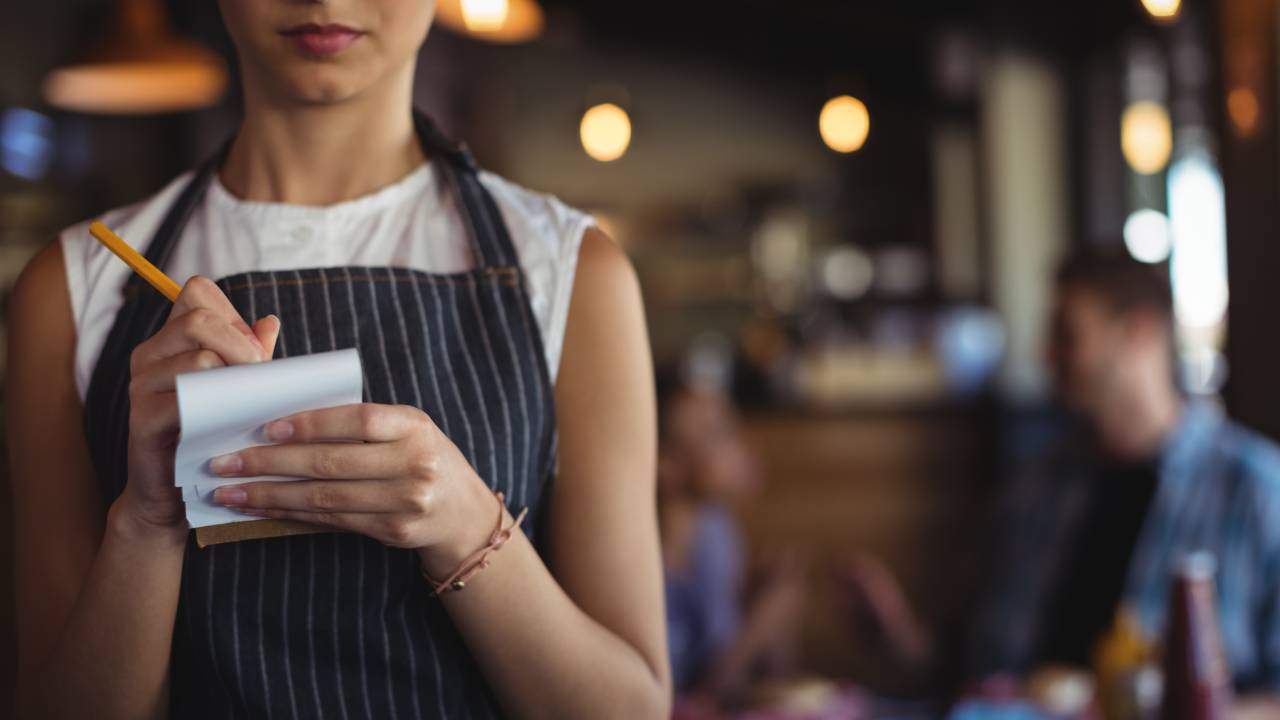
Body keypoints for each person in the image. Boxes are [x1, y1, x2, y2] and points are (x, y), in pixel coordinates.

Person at [8, 2, 669, 717]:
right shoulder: (72, 289)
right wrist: (146, 520)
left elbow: (631, 708)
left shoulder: (574, 272)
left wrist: (466, 524)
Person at [852, 251, 1280, 713]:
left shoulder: (1254, 492)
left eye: (1066, 334)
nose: (1046, 354)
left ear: (1139, 331)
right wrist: (898, 637)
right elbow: (962, 669)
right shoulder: (1035, 486)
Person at [656, 371, 803, 703]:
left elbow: (759, 686)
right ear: (665, 463)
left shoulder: (718, 534)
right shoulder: (637, 559)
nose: (742, 445)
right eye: (717, 433)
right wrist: (757, 628)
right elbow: (693, 700)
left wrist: (774, 620)